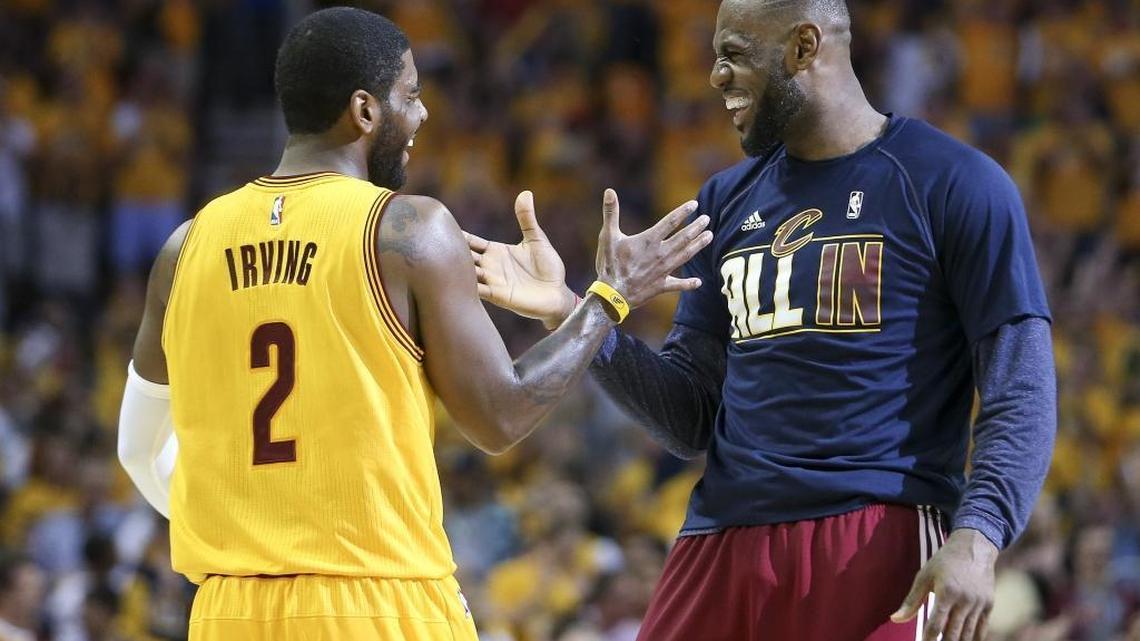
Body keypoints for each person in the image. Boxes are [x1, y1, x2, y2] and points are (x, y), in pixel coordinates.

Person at [466, 1, 1057, 640]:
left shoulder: (955, 182)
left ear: (804, 47)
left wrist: (979, 536)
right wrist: (576, 311)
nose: (715, 76)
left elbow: (1019, 389)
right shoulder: (725, 199)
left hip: (873, 532)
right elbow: (692, 417)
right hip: (718, 538)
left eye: (734, 53)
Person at [115, 7, 711, 641]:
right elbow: (499, 416)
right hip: (375, 603)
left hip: (228, 611)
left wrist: (245, 533)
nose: (424, 114)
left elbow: (136, 449)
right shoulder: (405, 229)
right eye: (412, 95)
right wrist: (607, 298)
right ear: (365, 112)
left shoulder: (185, 247)